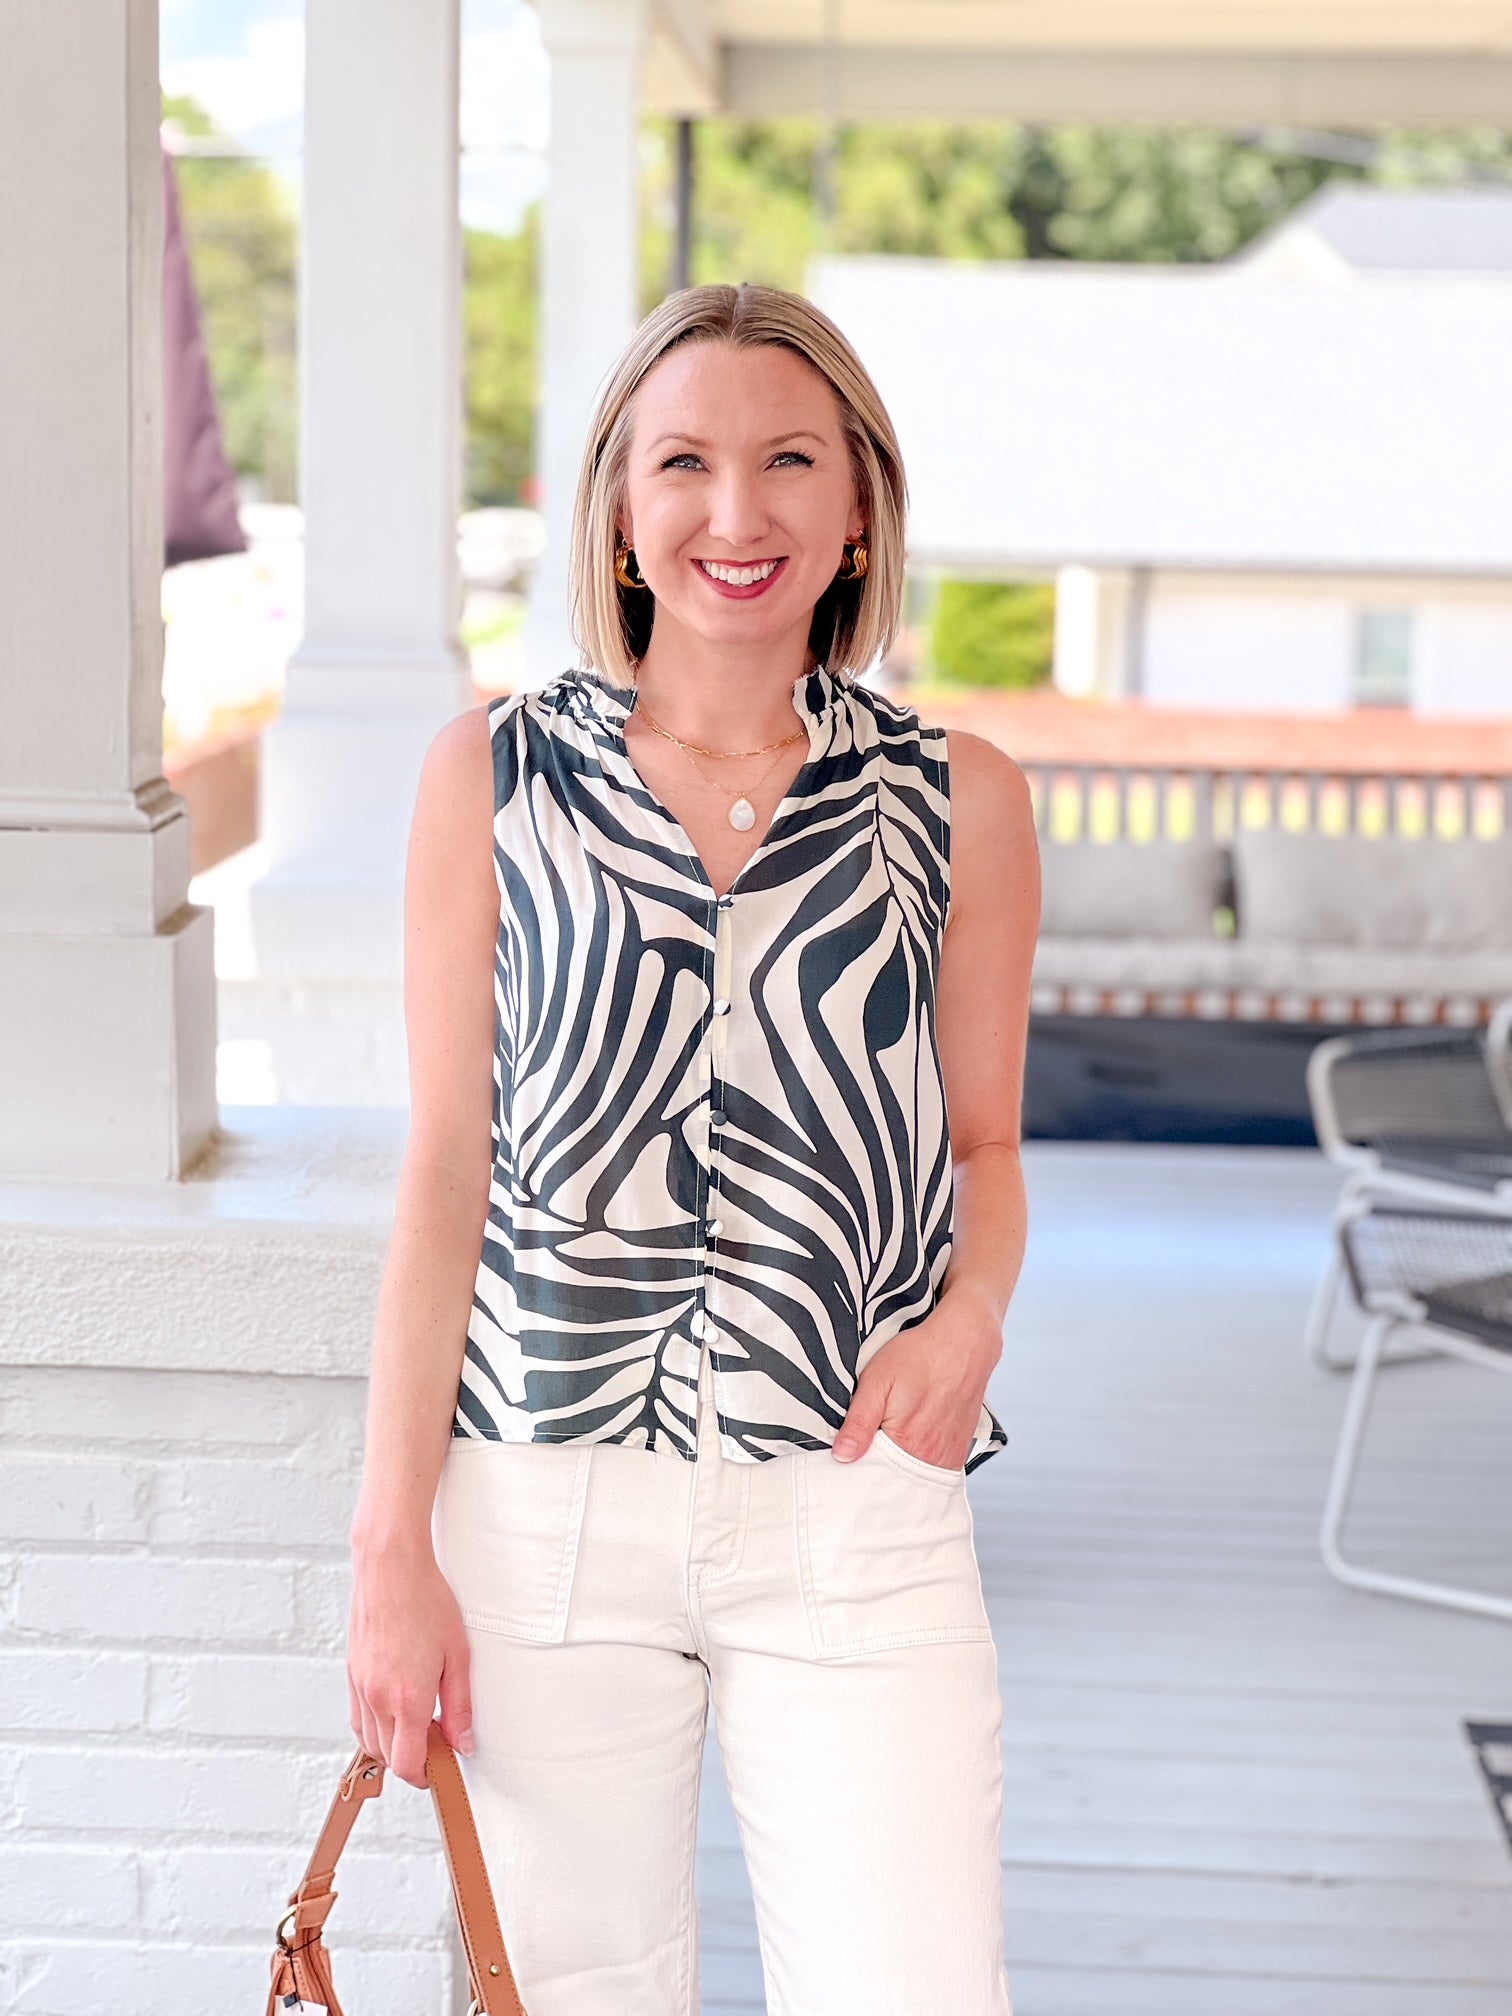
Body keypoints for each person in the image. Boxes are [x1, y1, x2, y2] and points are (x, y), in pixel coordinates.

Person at [347, 281, 1040, 2016]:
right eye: (685, 463)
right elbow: (445, 1172)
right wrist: (388, 1551)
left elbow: (985, 1144)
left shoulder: (962, 797)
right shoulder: (492, 777)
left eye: (791, 459)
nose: (739, 512)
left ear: (859, 503)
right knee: (572, 1993)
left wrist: (973, 1320)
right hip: (546, 1509)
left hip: (859, 1501)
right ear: (620, 509)